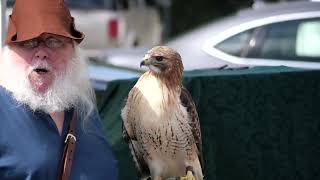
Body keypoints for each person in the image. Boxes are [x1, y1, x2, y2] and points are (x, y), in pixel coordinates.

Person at [0, 0, 118, 179]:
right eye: (29, 42)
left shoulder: (83, 108)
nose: (41, 52)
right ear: (10, 50)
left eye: (53, 41)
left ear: (72, 49)